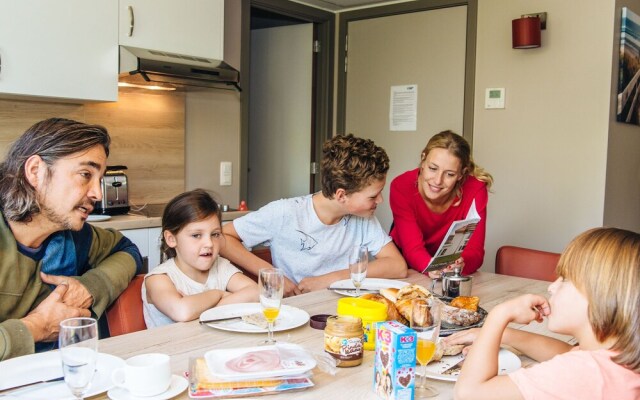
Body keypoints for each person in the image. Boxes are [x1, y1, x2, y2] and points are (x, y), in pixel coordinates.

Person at [0, 118, 143, 361]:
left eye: (99, 179)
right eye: (85, 174)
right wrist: (35, 327)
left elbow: (128, 251)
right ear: (36, 171)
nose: (97, 194)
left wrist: (91, 286)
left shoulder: (74, 238)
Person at [444, 227, 640, 400]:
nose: (552, 287)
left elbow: (469, 393)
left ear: (600, 295)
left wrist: (498, 316)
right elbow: (566, 352)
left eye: (564, 280)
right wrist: (505, 334)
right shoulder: (612, 358)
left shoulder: (583, 373)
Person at [221, 134, 407, 297]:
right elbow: (223, 237)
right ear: (341, 195)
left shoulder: (364, 219)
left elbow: (398, 266)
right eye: (373, 196)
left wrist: (329, 279)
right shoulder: (285, 212)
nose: (380, 200)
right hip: (298, 309)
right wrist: (270, 273)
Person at [142, 189, 258, 328]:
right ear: (171, 239)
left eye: (215, 234)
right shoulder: (158, 279)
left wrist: (202, 308)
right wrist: (218, 294)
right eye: (196, 235)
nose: (209, 243)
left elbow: (256, 293)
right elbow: (182, 312)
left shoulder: (219, 266)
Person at [389, 130, 493, 277]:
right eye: (433, 168)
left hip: (450, 265)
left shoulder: (475, 189)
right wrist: (431, 267)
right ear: (423, 160)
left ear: (461, 174)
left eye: (449, 174)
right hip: (408, 263)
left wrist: (463, 263)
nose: (437, 181)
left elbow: (475, 250)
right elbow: (412, 248)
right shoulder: (401, 186)